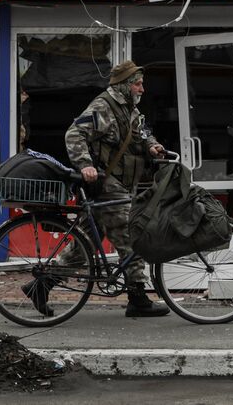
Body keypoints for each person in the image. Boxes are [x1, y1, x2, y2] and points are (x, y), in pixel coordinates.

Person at [22, 60, 170, 318]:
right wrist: (85, 165)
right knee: (130, 235)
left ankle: (41, 285)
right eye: (138, 84)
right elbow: (74, 134)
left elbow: (142, 134)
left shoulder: (128, 109)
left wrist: (152, 146)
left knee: (86, 244)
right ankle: (138, 298)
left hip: (123, 184)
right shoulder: (103, 106)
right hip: (108, 184)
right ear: (124, 85)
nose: (142, 89)